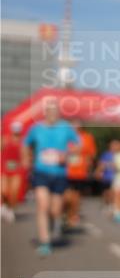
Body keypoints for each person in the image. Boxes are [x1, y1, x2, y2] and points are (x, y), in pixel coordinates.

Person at [21, 99, 80, 257]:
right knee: (42, 205)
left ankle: (53, 224)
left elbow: (78, 145)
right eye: (50, 111)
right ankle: (45, 241)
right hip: (41, 172)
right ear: (45, 112)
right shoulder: (36, 128)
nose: (52, 114)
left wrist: (66, 154)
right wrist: (26, 158)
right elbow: (25, 144)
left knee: (54, 210)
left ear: (59, 113)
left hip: (59, 174)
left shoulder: (65, 127)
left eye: (55, 111)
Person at [63, 120, 97, 230]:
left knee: (76, 197)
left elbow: (92, 154)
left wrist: (89, 162)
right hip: (64, 171)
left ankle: (72, 216)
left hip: (80, 172)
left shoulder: (87, 137)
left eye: (77, 123)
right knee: (66, 197)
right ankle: (66, 213)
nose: (75, 125)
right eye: (73, 123)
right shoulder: (64, 136)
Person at [1, 121, 25, 224]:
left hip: (17, 170)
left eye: (18, 129)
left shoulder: (23, 141)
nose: (16, 131)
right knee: (3, 191)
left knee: (14, 192)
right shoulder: (5, 139)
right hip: (4, 169)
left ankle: (10, 209)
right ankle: (4, 206)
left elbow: (25, 155)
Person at [94, 140, 118, 211]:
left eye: (116, 145)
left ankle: (111, 204)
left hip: (115, 177)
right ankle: (106, 203)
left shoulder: (119, 155)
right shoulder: (106, 155)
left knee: (112, 191)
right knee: (105, 192)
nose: (114, 147)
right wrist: (98, 172)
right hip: (106, 176)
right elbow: (101, 164)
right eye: (113, 145)